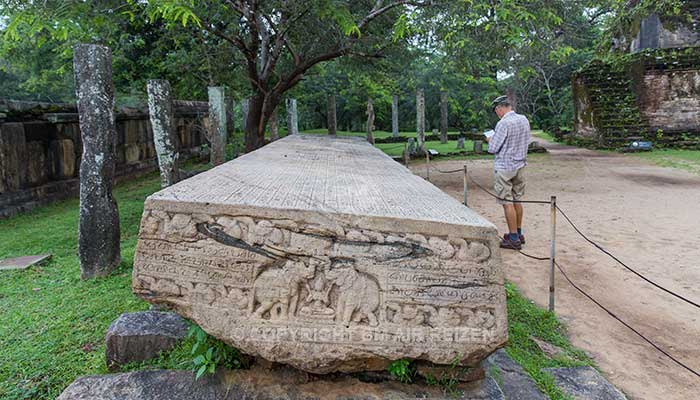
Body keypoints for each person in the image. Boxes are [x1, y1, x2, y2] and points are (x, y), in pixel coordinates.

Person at [485, 95, 531, 250]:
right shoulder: (524, 119)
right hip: (520, 164)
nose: (497, 113)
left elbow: (493, 148)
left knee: (507, 202)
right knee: (517, 199)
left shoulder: (503, 123)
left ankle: (513, 238)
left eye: (496, 110)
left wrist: (490, 139)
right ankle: (518, 233)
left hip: (505, 167)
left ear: (500, 108)